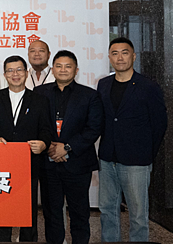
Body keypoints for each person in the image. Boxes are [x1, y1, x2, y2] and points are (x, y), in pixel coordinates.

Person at [98, 37, 167, 242]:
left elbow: (159, 124)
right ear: (109, 57)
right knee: (107, 209)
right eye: (115, 53)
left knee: (137, 214)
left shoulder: (148, 86)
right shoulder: (103, 84)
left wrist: (146, 153)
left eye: (125, 52)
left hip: (137, 160)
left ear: (134, 56)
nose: (120, 57)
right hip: (107, 158)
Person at [35, 50, 103, 244]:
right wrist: (49, 146)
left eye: (68, 66)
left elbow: (94, 127)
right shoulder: (40, 93)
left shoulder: (90, 95)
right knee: (52, 213)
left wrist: (67, 147)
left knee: (79, 213)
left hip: (78, 164)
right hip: (48, 165)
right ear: (52, 69)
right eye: (59, 66)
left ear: (76, 70)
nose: (63, 70)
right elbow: (35, 123)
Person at [0, 55, 51, 242]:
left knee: (28, 208)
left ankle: (28, 239)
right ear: (4, 74)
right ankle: (1, 239)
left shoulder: (40, 100)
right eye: (10, 70)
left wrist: (43, 143)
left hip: (29, 162)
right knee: (1, 207)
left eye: (19, 70)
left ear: (26, 72)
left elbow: (46, 129)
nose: (15, 74)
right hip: (0, 163)